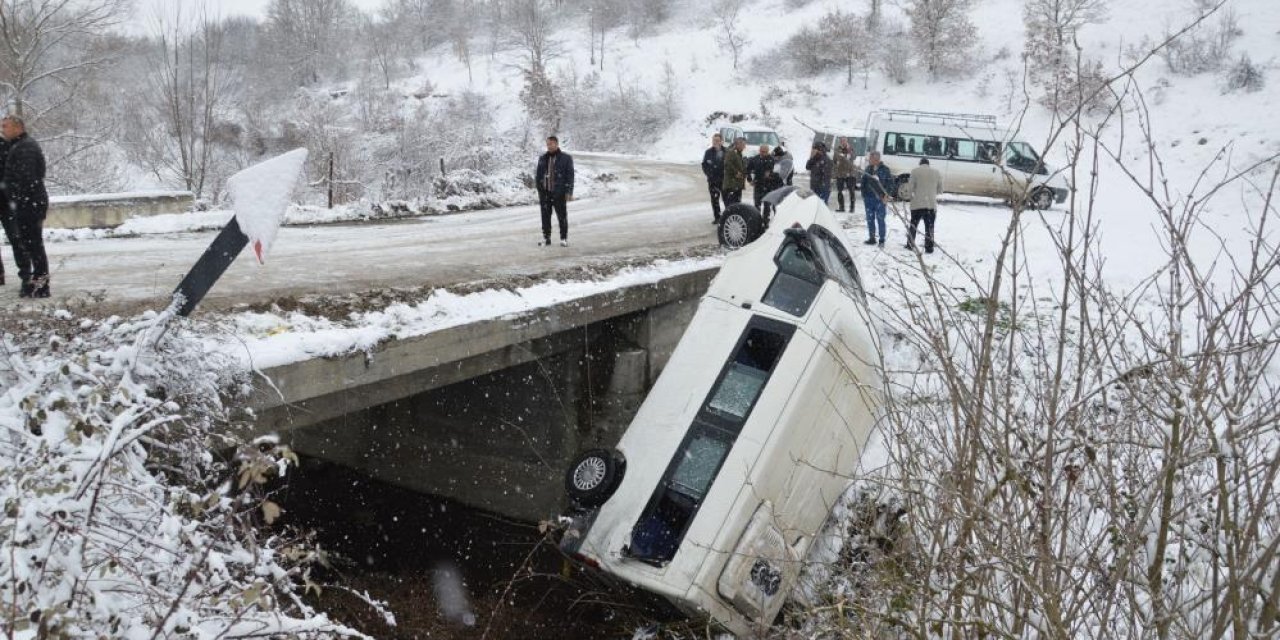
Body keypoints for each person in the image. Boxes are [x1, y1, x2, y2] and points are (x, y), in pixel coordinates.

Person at [0, 115, 49, 297]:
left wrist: (14, 197)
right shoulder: (17, 145)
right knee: (30, 244)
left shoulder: (19, 146)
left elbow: (28, 177)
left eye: (5, 126)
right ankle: (36, 284)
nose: (2, 129)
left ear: (17, 127)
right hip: (21, 202)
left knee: (27, 244)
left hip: (21, 203)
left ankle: (34, 282)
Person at [535, 135, 574, 247]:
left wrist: (569, 192)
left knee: (562, 216)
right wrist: (540, 190)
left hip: (559, 193)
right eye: (547, 144)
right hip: (545, 193)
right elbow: (538, 176)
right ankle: (546, 238)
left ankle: (563, 238)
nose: (549, 146)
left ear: (556, 144)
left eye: (551, 144)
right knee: (545, 217)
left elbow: (570, 176)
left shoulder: (566, 158)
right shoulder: (543, 158)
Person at [903, 158, 942, 253]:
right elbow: (940, 189)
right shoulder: (936, 172)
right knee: (930, 227)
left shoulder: (915, 171)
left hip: (917, 204)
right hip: (931, 205)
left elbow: (910, 187)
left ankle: (910, 244)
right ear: (928, 164)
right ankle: (929, 247)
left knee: (913, 225)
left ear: (920, 164)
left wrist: (908, 197)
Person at [860, 150, 895, 247]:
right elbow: (863, 182)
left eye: (870, 158)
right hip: (868, 198)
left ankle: (882, 240)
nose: (869, 160)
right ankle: (872, 238)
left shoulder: (885, 170)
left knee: (880, 219)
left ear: (876, 159)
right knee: (869, 219)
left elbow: (890, 184)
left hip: (880, 199)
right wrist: (864, 194)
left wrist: (886, 195)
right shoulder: (868, 169)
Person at [701, 133, 727, 224]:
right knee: (715, 200)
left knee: (726, 199)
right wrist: (709, 174)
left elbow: (730, 166)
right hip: (712, 181)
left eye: (717, 140)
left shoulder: (727, 151)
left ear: (721, 141)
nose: (715, 142)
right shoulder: (708, 152)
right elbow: (704, 165)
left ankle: (727, 216)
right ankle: (717, 217)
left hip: (724, 181)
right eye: (714, 140)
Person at [745, 144, 774, 211]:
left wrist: (771, 175)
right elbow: (748, 169)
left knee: (767, 205)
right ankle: (757, 218)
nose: (763, 153)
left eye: (765, 152)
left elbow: (776, 172)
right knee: (757, 204)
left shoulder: (771, 159)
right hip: (758, 184)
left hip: (768, 185)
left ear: (768, 151)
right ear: (759, 150)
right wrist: (750, 179)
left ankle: (766, 219)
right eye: (761, 151)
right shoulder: (755, 159)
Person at [833, 141, 859, 213]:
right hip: (840, 173)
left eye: (844, 141)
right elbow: (834, 160)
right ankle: (841, 207)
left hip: (850, 173)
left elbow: (854, 157)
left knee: (851, 190)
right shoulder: (837, 150)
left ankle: (852, 208)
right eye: (842, 141)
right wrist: (839, 156)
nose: (843, 143)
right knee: (840, 190)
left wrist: (848, 153)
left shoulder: (851, 149)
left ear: (847, 142)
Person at [721, 137, 746, 206]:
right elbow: (727, 164)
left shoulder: (739, 153)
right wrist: (736, 172)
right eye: (743, 145)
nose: (744, 147)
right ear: (738, 144)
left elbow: (741, 167)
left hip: (737, 185)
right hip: (731, 185)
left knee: (736, 206)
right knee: (731, 207)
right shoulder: (731, 152)